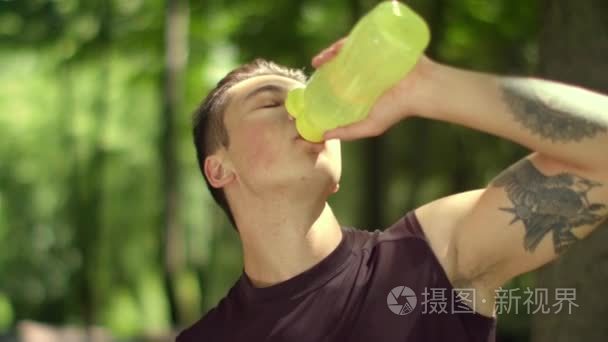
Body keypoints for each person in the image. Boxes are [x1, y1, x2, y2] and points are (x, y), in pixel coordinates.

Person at [176, 35, 608, 341]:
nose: (304, 110)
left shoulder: (428, 258)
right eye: (272, 102)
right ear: (219, 169)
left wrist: (430, 87)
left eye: (310, 98)